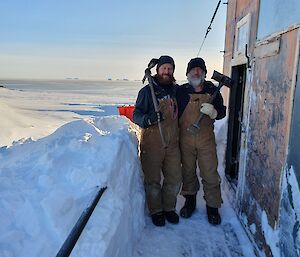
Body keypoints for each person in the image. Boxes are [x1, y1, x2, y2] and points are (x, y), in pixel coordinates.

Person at [133, 55, 182, 227]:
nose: (166, 72)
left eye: (170, 68)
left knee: (174, 178)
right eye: (164, 68)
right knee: (153, 180)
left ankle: (169, 208)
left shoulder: (176, 91)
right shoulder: (147, 92)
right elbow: (136, 115)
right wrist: (148, 119)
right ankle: (156, 210)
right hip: (152, 144)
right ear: (157, 70)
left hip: (172, 144)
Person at [176, 57, 226, 225]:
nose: (196, 72)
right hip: (186, 139)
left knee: (210, 173)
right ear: (188, 73)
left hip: (206, 139)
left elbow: (222, 112)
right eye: (193, 70)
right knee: (188, 172)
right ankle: (190, 203)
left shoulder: (213, 89)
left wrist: (214, 112)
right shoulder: (180, 92)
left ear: (204, 73)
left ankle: (213, 207)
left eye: (200, 70)